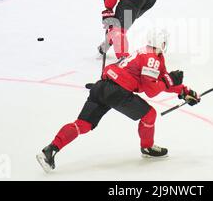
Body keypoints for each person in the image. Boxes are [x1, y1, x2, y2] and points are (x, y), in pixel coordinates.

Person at [36, 29, 201, 172]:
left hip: (101, 86)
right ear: (163, 43)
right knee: (149, 114)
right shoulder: (152, 59)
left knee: (82, 124)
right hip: (117, 92)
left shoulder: (145, 51)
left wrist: (184, 91)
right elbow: (151, 90)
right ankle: (147, 147)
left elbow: (161, 78)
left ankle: (50, 150)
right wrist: (169, 82)